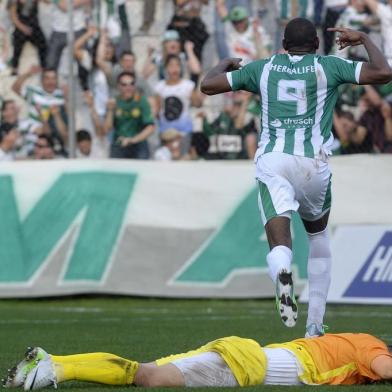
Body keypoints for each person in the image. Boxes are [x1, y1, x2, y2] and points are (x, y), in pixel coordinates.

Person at [200, 18, 392, 335]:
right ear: (316, 45)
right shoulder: (328, 66)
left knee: (280, 242)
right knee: (318, 238)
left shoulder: (262, 68)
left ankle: (282, 271)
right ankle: (314, 327)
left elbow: (209, 85)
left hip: (274, 160)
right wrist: (363, 39)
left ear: (284, 45)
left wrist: (225, 62)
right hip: (313, 165)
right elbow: (384, 72)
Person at [2, 332, 392, 390]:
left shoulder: (356, 338)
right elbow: (383, 369)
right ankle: (54, 368)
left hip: (246, 355)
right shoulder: (374, 348)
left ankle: (54, 364)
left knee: (148, 375)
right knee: (147, 377)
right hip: (248, 364)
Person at [104, 71, 155, 159]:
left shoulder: (141, 101)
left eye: (131, 84)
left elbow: (150, 127)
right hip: (119, 143)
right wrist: (110, 111)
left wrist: (132, 140)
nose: (128, 87)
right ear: (118, 86)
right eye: (124, 84)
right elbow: (107, 129)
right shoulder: (114, 101)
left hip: (138, 143)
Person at [8, 0, 47, 75]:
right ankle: (14, 68)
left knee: (43, 45)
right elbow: (13, 17)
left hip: (34, 26)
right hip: (20, 27)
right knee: (17, 48)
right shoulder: (14, 2)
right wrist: (23, 28)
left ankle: (44, 68)